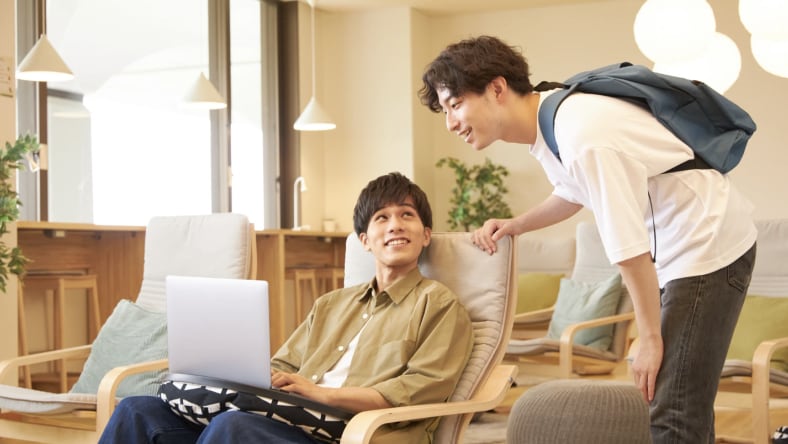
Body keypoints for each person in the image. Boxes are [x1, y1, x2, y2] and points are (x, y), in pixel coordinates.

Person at [419, 35, 756, 444]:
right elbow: (573, 192)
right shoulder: (551, 120)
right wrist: (517, 224)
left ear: (496, 88)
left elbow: (628, 250)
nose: (451, 122)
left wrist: (648, 338)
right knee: (681, 401)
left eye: (455, 104)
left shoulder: (580, 132)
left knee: (671, 409)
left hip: (707, 245)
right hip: (683, 247)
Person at [98, 172, 474, 444]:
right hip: (289, 421)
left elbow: (419, 389)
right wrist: (240, 377)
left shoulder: (438, 305)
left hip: (357, 432)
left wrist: (323, 394)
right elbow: (284, 367)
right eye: (382, 218)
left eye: (407, 215)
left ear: (426, 235)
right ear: (364, 240)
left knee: (232, 429)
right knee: (137, 410)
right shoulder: (331, 304)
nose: (396, 225)